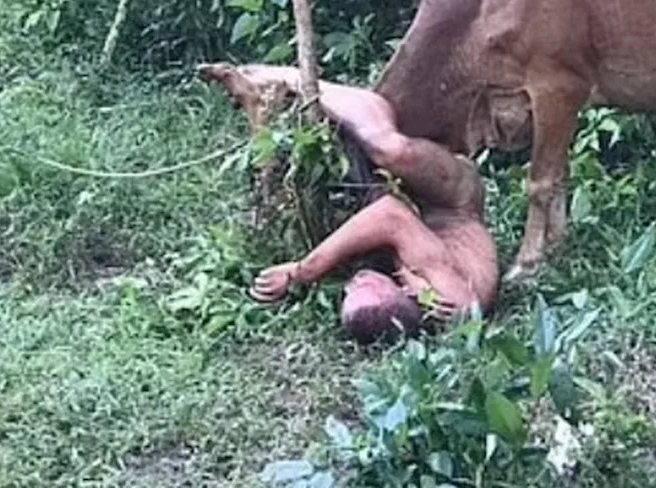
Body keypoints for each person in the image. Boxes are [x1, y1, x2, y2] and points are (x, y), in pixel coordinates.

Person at [197, 64, 498, 342]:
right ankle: (293, 78)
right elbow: (391, 215)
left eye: (348, 292)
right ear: (397, 293)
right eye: (364, 286)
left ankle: (258, 105)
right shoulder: (451, 299)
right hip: (451, 202)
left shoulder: (410, 294)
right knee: (390, 150)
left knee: (295, 193)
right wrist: (301, 272)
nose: (353, 283)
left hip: (410, 218)